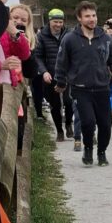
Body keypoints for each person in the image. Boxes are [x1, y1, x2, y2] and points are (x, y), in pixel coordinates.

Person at [54, 0, 112, 167]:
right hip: (80, 88)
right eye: (87, 16)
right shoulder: (70, 39)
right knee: (88, 122)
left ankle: (102, 152)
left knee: (105, 124)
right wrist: (61, 81)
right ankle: (88, 148)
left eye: (94, 15)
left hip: (102, 88)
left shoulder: (106, 38)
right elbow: (61, 62)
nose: (92, 19)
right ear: (79, 18)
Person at [34, 9, 74, 142]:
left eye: (60, 22)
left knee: (69, 101)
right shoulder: (42, 36)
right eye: (55, 22)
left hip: (67, 73)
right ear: (49, 21)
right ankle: (59, 131)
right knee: (55, 104)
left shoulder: (69, 34)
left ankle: (68, 124)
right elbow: (38, 56)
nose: (58, 25)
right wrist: (44, 71)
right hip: (50, 74)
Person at [0, 3, 32, 86]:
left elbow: (24, 55)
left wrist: (16, 35)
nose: (19, 22)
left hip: (11, 83)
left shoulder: (13, 35)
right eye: (15, 17)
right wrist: (0, 65)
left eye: (23, 20)